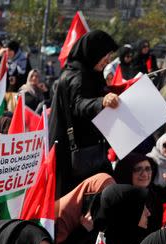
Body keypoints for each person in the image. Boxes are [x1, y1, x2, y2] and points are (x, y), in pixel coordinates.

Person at [49, 30, 119, 195]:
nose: (108, 61)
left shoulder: (91, 74)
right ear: (94, 52)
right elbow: (78, 104)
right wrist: (102, 101)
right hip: (73, 156)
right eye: (105, 55)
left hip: (90, 151)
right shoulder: (76, 75)